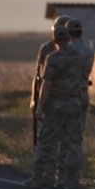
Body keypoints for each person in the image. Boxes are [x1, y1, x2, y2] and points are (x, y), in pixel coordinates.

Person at [24, 23, 83, 189]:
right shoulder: (79, 57)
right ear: (69, 39)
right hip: (74, 103)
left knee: (46, 141)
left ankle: (39, 178)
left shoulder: (53, 58)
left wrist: (40, 106)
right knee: (73, 143)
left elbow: (47, 83)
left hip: (56, 104)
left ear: (55, 40)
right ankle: (70, 180)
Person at [63, 17, 95, 189]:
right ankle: (74, 178)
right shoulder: (89, 50)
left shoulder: (65, 51)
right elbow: (86, 73)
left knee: (63, 137)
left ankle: (61, 176)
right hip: (82, 94)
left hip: (66, 97)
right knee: (77, 137)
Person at [30, 15, 71, 147]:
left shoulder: (74, 51)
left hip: (65, 97)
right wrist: (33, 99)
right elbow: (37, 75)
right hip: (47, 97)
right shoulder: (46, 49)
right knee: (46, 135)